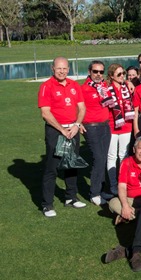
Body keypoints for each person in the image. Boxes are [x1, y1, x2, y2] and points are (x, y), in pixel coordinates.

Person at [38, 57, 87, 217]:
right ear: (53, 68)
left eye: (65, 68)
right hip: (55, 131)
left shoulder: (74, 85)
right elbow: (45, 113)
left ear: (68, 69)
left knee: (72, 164)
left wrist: (76, 125)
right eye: (59, 68)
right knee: (52, 167)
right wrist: (62, 130)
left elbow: (81, 108)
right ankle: (47, 204)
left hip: (72, 129)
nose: (62, 71)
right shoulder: (47, 86)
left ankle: (71, 197)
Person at [80, 60, 112, 205]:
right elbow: (77, 107)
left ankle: (102, 190)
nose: (98, 75)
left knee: (104, 158)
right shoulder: (84, 88)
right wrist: (78, 123)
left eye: (101, 72)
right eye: (95, 72)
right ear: (89, 72)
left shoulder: (103, 86)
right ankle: (94, 193)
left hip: (105, 126)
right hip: (91, 126)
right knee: (98, 158)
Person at [106, 63, 135, 206]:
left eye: (123, 73)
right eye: (119, 74)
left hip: (127, 125)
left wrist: (128, 81)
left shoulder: (127, 87)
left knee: (123, 156)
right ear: (111, 76)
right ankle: (112, 185)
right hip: (112, 126)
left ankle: (122, 184)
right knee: (111, 156)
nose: (122, 76)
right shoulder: (106, 89)